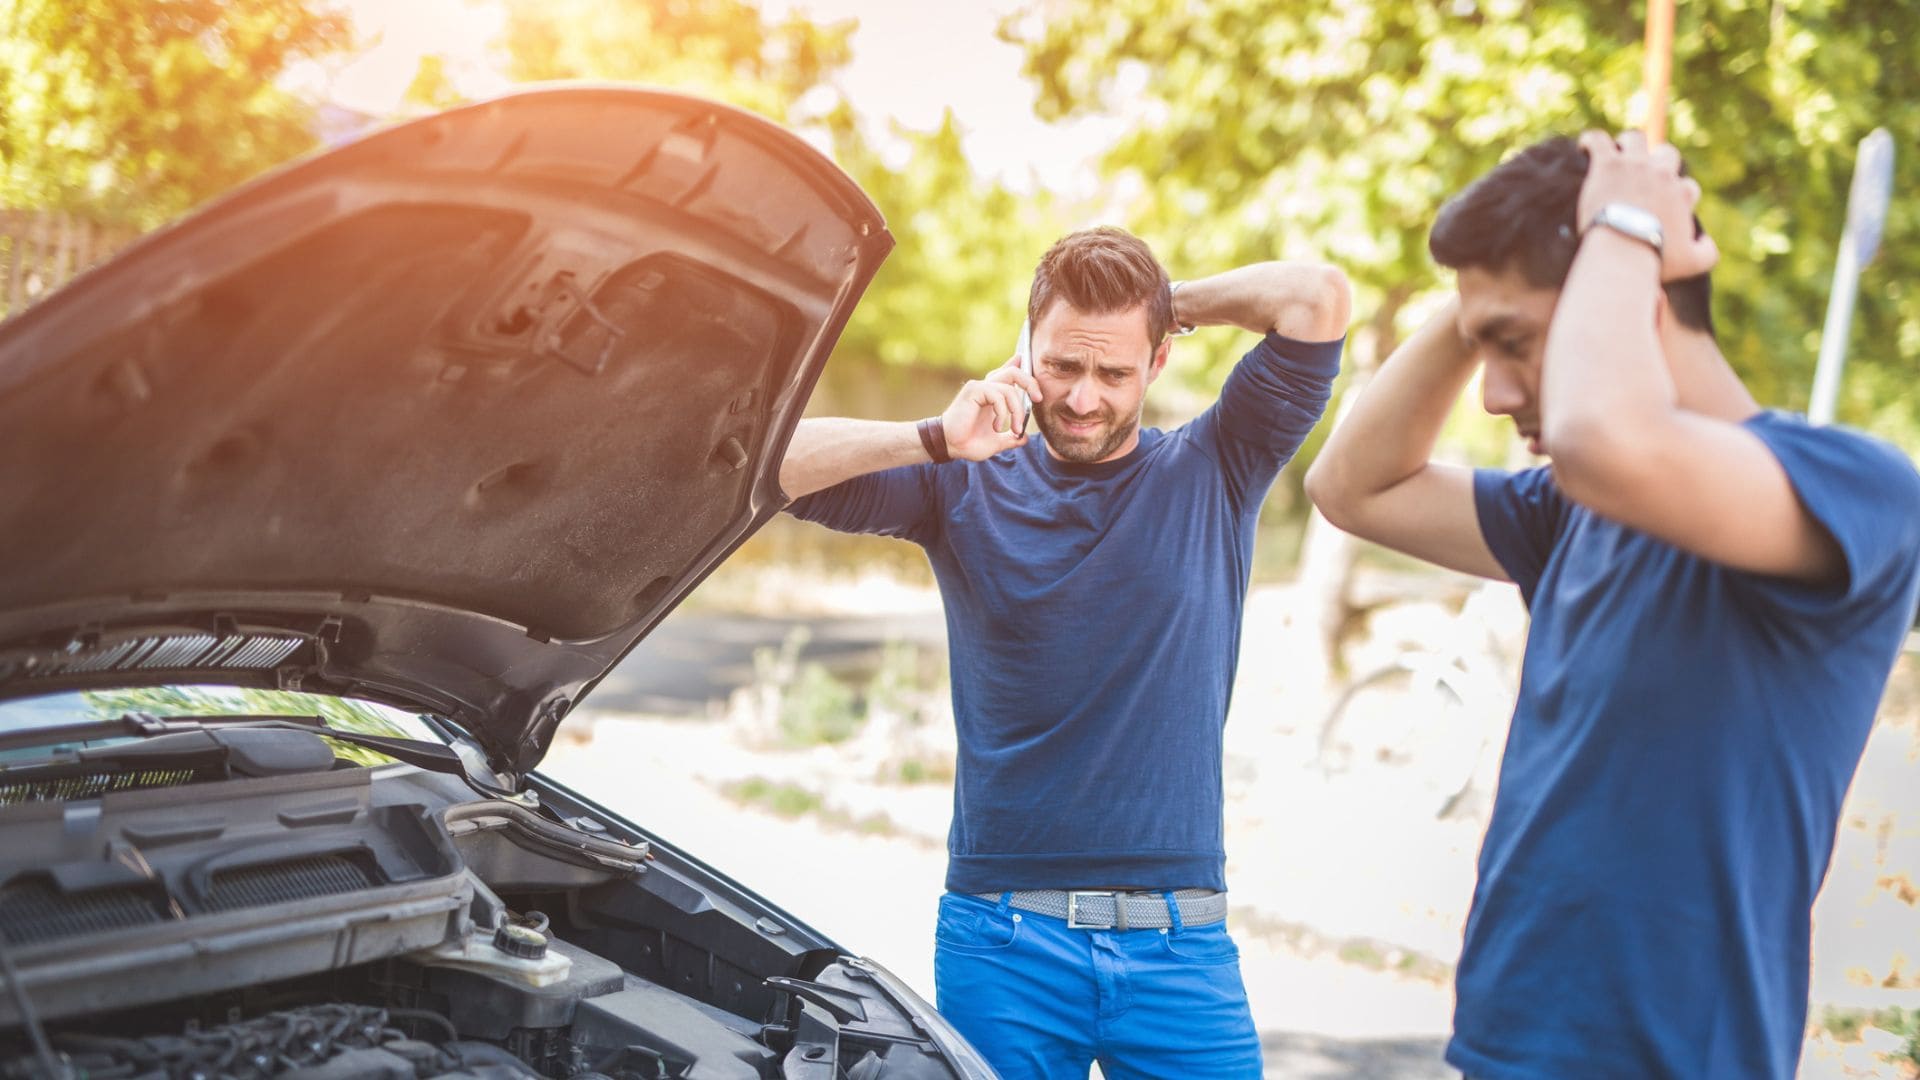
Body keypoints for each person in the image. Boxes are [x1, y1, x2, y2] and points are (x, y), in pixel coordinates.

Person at [1305, 130, 1920, 1079]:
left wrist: (1624, 229)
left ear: (1641, 294)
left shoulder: (1857, 491)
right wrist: (1485, 290)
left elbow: (1605, 436)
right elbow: (1354, 486)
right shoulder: (1572, 514)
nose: (1496, 393)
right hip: (1503, 1046)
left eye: (1515, 345)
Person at [778, 225, 1349, 1078]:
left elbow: (1316, 298)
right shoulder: (959, 481)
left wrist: (1161, 303)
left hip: (1181, 949)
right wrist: (932, 436)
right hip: (1002, 943)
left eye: (1114, 370)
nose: (1084, 397)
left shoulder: (1217, 464)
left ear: (1156, 364)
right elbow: (770, 464)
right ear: (1025, 350)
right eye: (1063, 366)